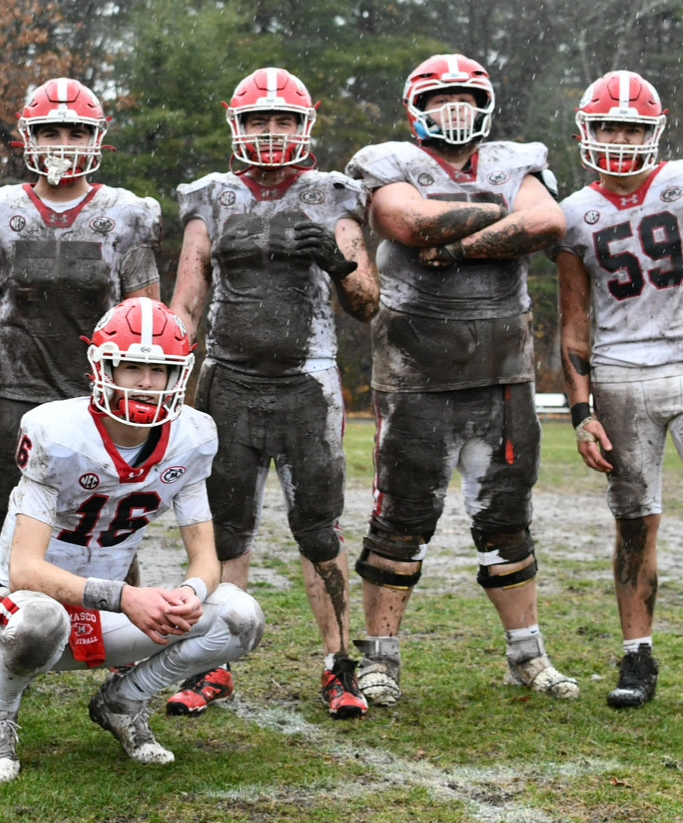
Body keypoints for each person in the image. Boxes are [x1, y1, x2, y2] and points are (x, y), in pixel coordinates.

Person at [344, 53, 579, 707]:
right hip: (414, 373)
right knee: (399, 521)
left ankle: (526, 653)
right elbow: (406, 221)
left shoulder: (513, 157)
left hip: (501, 372)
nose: (455, 108)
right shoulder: (384, 160)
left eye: (466, 96)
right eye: (441, 95)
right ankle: (380, 658)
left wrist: (451, 248)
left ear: (486, 105)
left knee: (507, 520)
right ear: (412, 105)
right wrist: (501, 219)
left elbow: (547, 223)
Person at [0, 298, 264, 782]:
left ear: (179, 375)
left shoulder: (192, 437)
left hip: (109, 614)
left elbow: (206, 560)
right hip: (26, 609)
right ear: (103, 366)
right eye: (132, 367)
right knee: (38, 621)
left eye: (160, 370)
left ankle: (123, 702)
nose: (146, 383)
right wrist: (127, 596)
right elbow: (25, 568)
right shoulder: (56, 431)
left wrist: (188, 597)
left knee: (239, 617)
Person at [168, 67, 379, 720]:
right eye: (257, 120)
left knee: (317, 530)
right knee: (224, 530)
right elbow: (186, 301)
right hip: (227, 381)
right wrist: (166, 379)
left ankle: (339, 662)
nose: (269, 131)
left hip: (306, 382)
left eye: (282, 119)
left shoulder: (332, 194)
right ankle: (211, 662)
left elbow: (368, 301)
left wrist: (339, 265)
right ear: (237, 126)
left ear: (303, 125)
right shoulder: (211, 197)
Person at [0, 77, 160, 702]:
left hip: (102, 401)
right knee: (8, 529)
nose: (63, 143)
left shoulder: (126, 213)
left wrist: (148, 404)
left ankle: (126, 647)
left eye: (76, 131)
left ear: (97, 139)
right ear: (29, 138)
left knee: (111, 528)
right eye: (51, 131)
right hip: (16, 394)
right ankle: (6, 658)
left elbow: (148, 320)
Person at [556, 70, 683, 717]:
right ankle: (636, 654)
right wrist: (580, 410)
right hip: (619, 375)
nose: (617, 138)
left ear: (654, 131)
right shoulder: (573, 215)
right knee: (634, 523)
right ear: (586, 131)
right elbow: (573, 319)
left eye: (631, 127)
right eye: (607, 126)